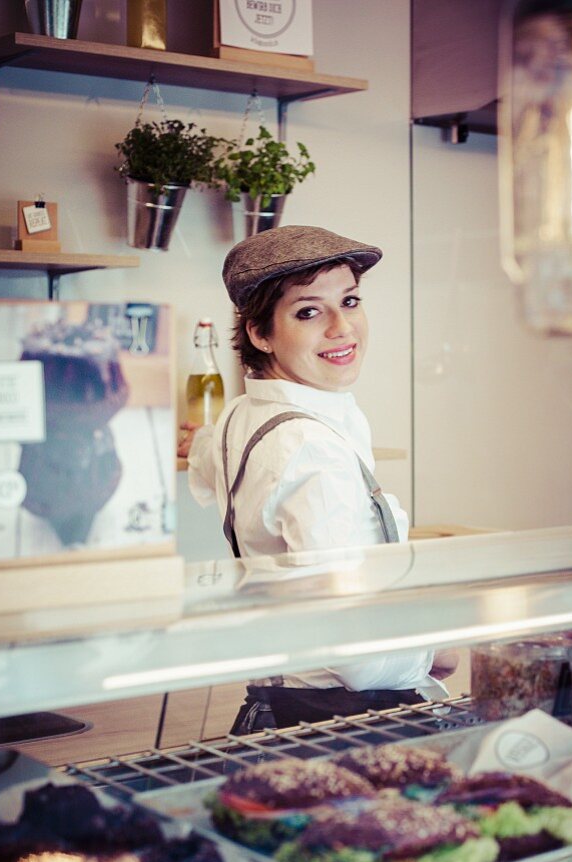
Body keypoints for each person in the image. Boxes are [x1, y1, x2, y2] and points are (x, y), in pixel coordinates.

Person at [183, 224, 458, 732]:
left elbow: (205, 469)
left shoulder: (239, 417)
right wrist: (431, 652)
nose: (341, 328)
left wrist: (195, 440)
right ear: (259, 333)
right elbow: (353, 652)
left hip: (275, 709)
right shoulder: (313, 450)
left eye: (350, 302)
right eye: (309, 311)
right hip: (344, 721)